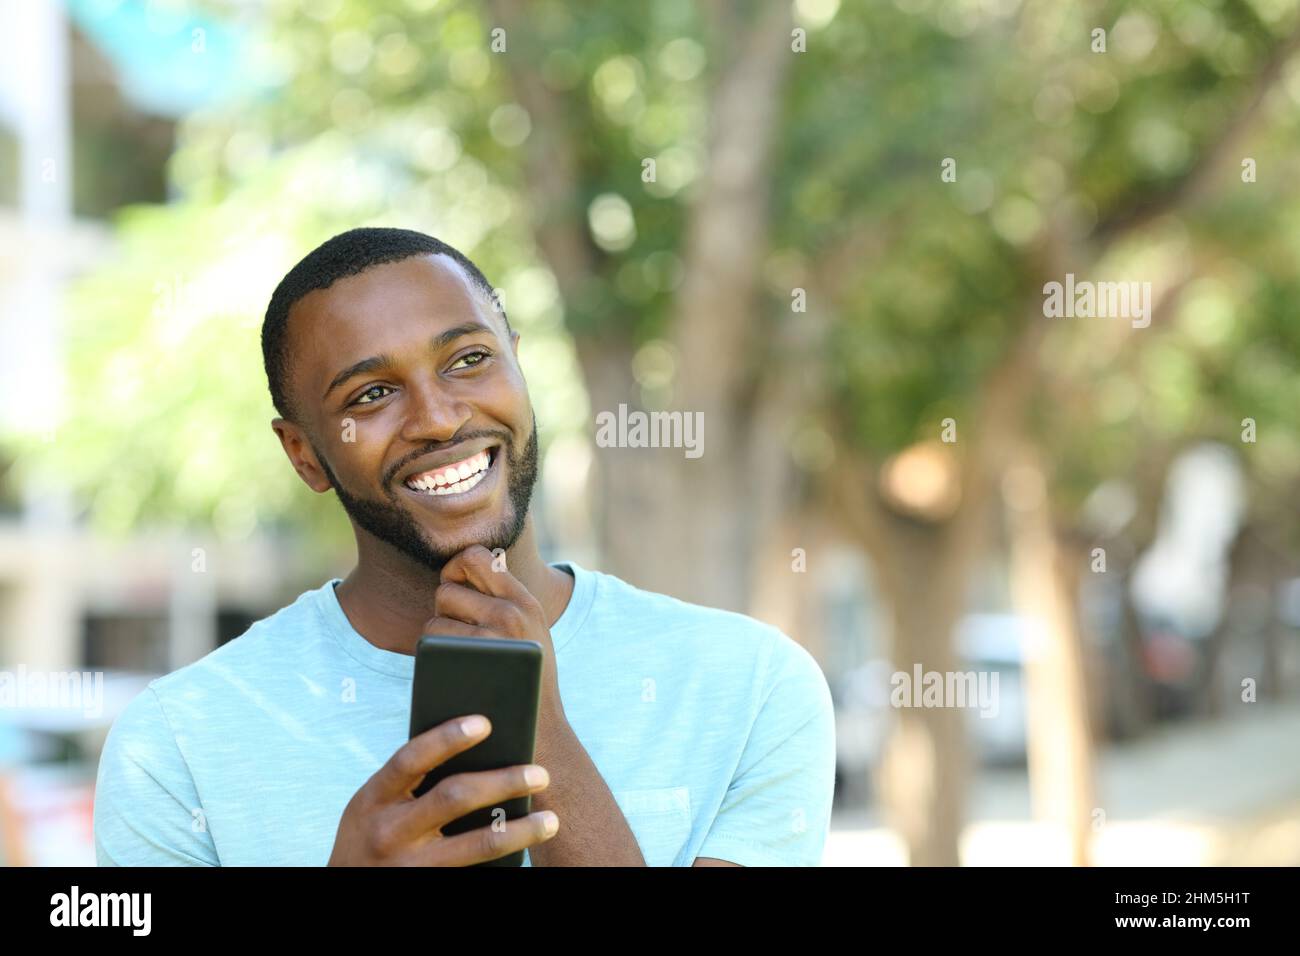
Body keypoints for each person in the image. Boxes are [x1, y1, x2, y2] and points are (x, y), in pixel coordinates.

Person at [93, 227, 836, 866]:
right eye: (370, 396)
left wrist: (546, 739)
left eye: (468, 359)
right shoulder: (176, 748)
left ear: (518, 364)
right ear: (304, 455)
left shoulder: (752, 687)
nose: (440, 418)